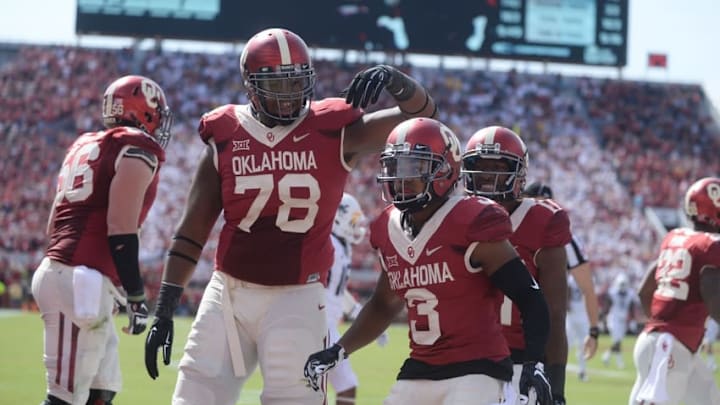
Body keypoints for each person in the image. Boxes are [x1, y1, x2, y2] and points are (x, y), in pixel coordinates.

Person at [143, 27, 438, 405]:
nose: (290, 96)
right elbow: (192, 232)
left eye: (297, 82)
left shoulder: (336, 131)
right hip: (228, 295)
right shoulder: (226, 132)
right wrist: (165, 309)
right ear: (250, 85)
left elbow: (426, 119)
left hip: (298, 296)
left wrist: (398, 81)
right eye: (278, 85)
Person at [304, 118, 553, 405]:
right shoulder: (387, 227)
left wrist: (535, 363)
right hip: (420, 367)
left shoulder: (472, 220)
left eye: (414, 167)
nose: (401, 178)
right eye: (395, 167)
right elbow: (384, 305)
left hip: (477, 369)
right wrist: (338, 350)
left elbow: (530, 297)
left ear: (445, 170)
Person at [31, 75, 173, 405]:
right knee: (64, 399)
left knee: (101, 392)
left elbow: (54, 224)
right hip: (79, 281)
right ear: (145, 111)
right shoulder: (136, 147)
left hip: (72, 274)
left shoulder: (84, 144)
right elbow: (120, 228)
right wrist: (136, 295)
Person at [461, 126, 570, 404]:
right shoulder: (455, 217)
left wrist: (556, 390)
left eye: (497, 166)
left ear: (518, 173)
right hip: (464, 361)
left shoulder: (543, 221)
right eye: (479, 166)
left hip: (522, 362)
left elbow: (555, 315)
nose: (486, 176)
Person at [629, 177, 720, 405]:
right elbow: (713, 298)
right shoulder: (711, 245)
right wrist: (670, 330)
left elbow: (644, 291)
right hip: (668, 348)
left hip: (664, 343)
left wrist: (662, 325)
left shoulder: (675, 238)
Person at [524, 182, 601, 382]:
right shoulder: (505, 229)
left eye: (547, 204)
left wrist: (593, 330)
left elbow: (587, 288)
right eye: (538, 204)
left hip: (546, 328)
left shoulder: (565, 240)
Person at [325, 192, 387, 404]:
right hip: (319, 327)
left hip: (327, 327)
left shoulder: (339, 245)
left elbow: (336, 291)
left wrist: (362, 316)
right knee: (334, 387)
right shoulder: (329, 244)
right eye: (352, 221)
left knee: (342, 386)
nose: (357, 227)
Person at [601, 273, 638, 369]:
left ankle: (607, 356)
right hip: (613, 319)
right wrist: (604, 319)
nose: (622, 286)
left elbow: (631, 308)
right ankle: (618, 361)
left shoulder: (630, 294)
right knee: (617, 341)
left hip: (623, 321)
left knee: (618, 341)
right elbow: (607, 307)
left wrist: (632, 320)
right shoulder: (612, 293)